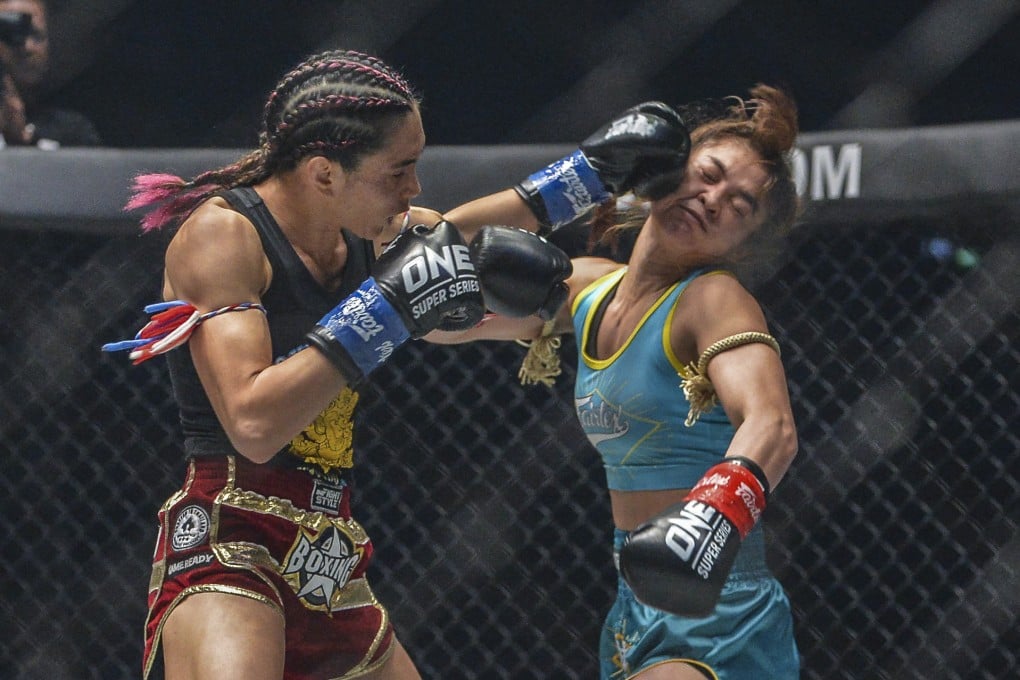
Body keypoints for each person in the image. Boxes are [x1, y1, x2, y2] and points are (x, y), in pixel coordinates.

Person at [102, 47, 686, 679]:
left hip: (326, 553)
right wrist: (388, 305)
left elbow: (454, 242)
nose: (415, 188)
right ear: (325, 173)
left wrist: (594, 178)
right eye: (398, 172)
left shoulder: (361, 231)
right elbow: (253, 423)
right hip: (228, 542)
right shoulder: (225, 236)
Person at [439, 84, 802, 679]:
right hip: (634, 609)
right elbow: (431, 286)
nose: (712, 200)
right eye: (706, 174)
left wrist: (708, 522)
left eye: (739, 206)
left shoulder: (713, 299)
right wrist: (579, 178)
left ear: (745, 244)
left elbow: (772, 425)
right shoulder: (585, 287)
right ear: (667, 169)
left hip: (721, 610)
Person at [0, 0, 101, 147]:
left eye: (36, 35)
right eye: (11, 33)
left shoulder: (71, 132)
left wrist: (20, 142)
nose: (27, 47)